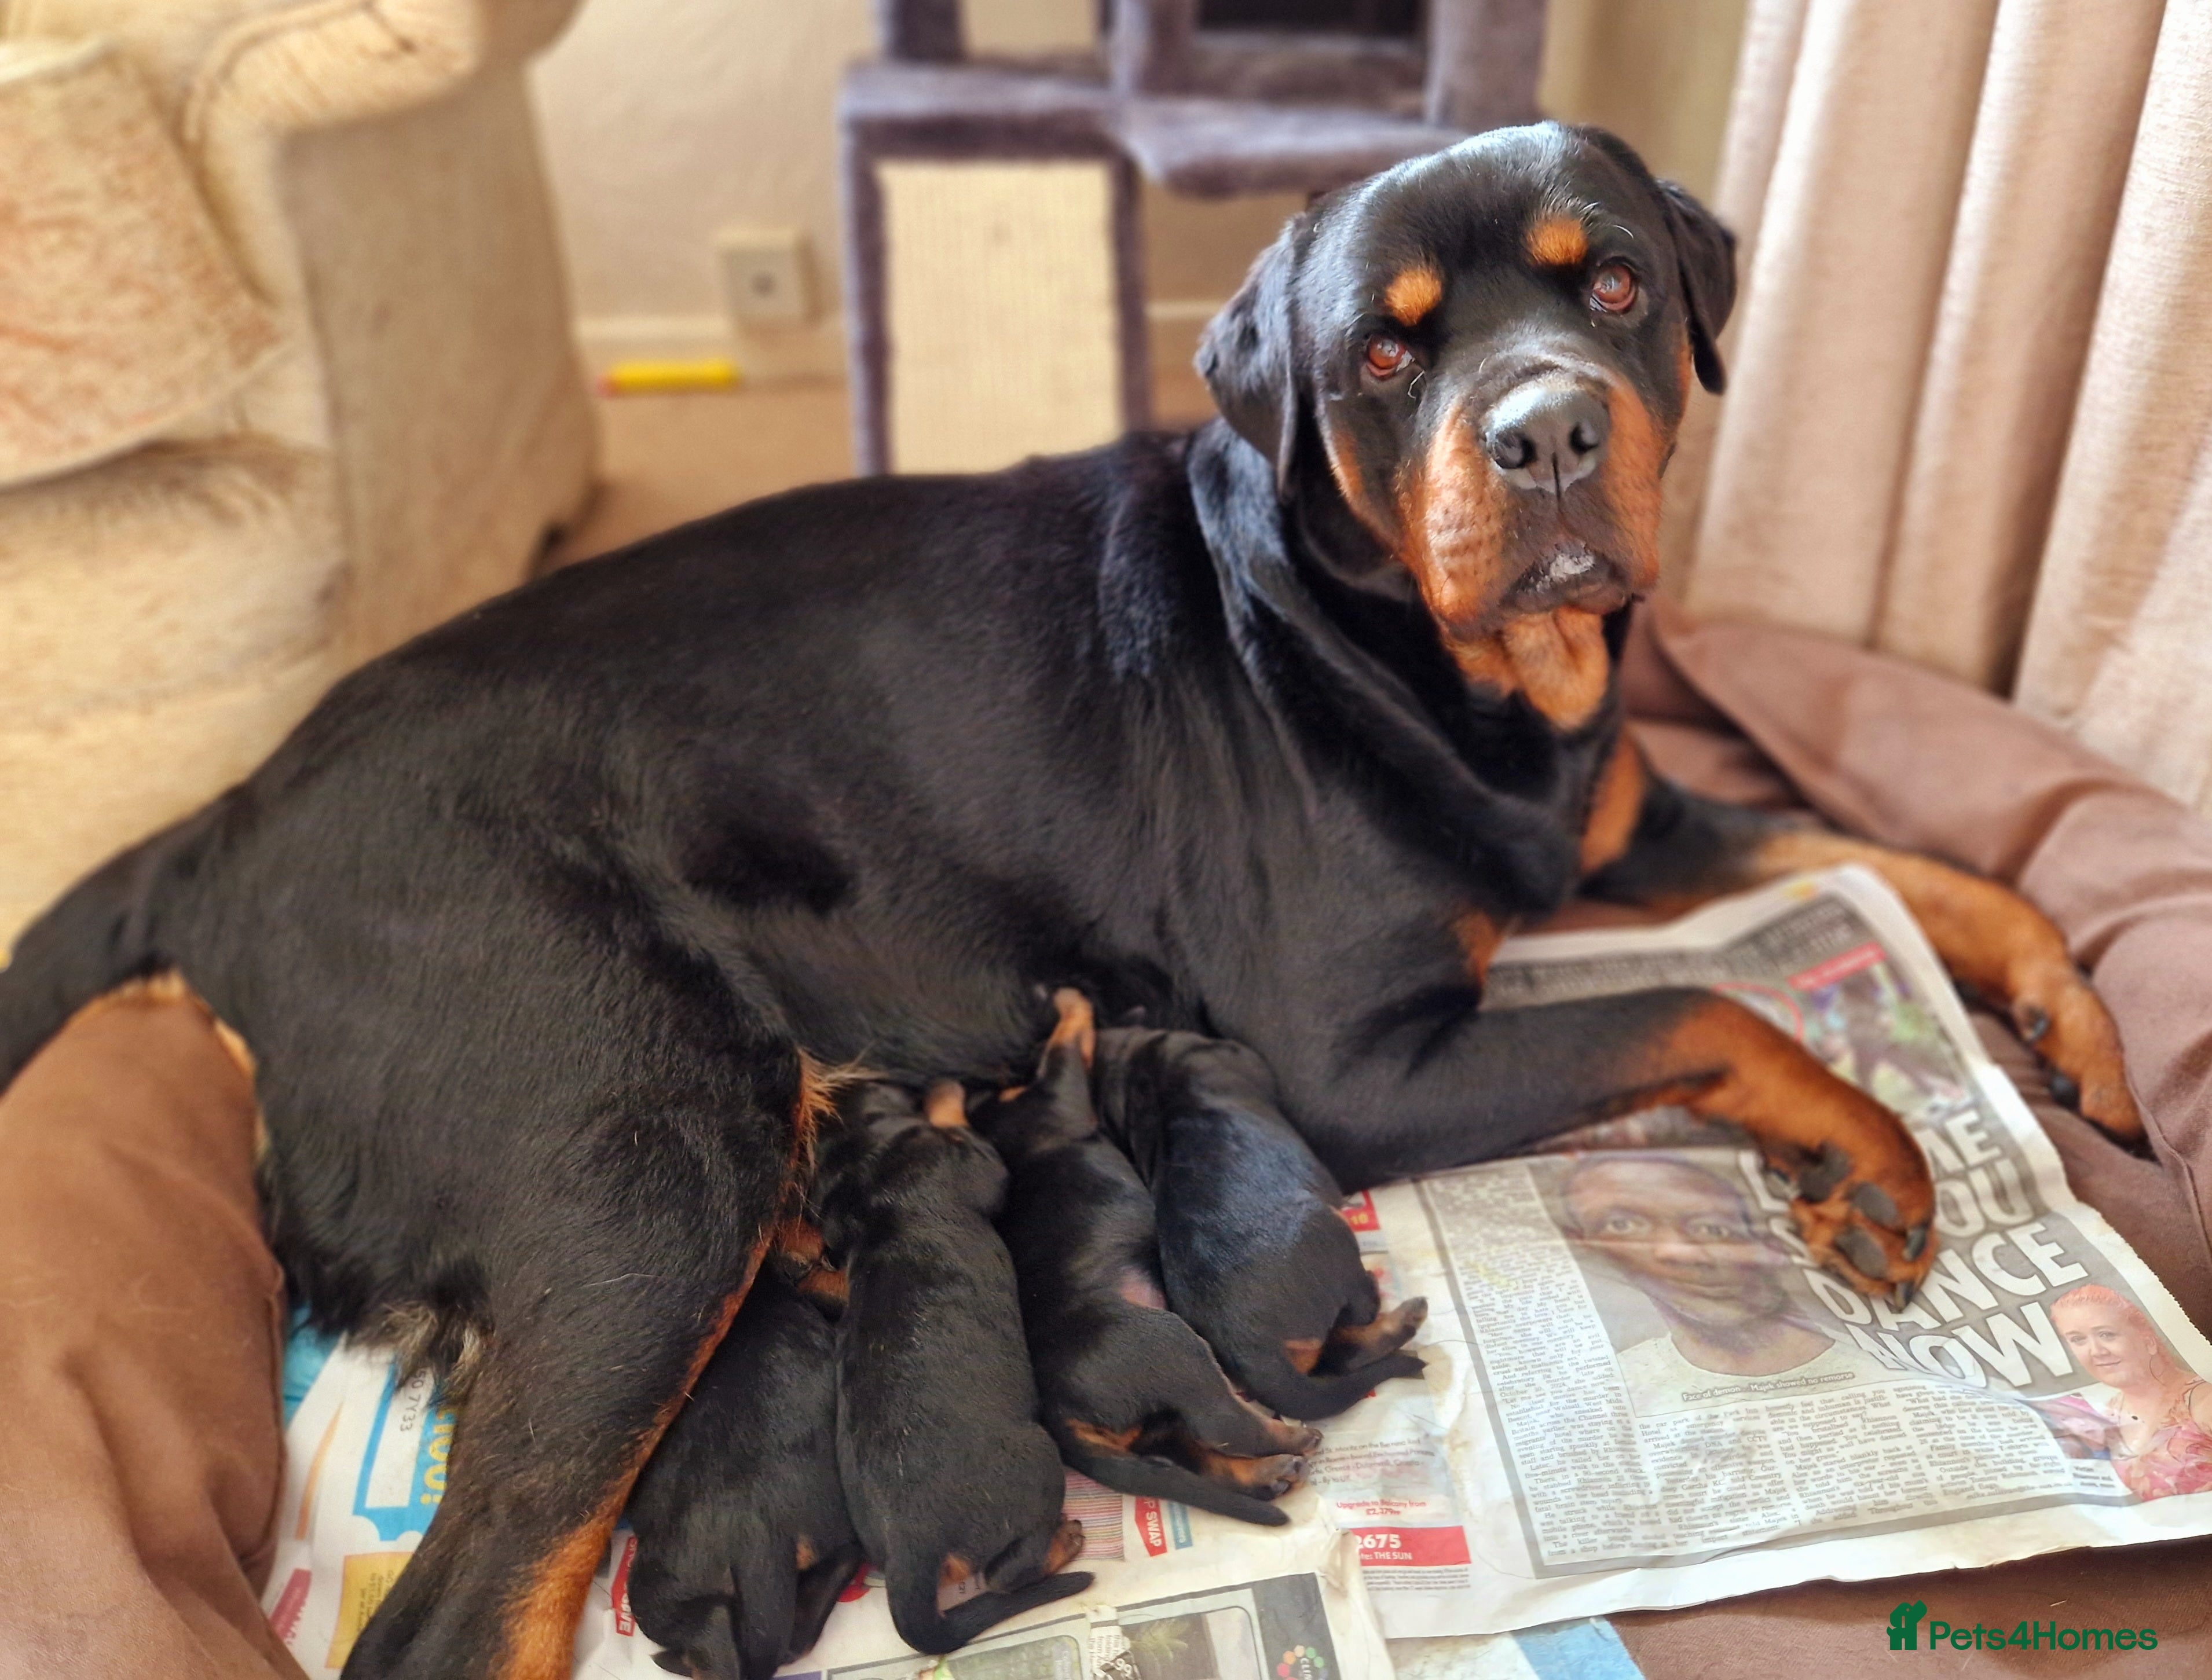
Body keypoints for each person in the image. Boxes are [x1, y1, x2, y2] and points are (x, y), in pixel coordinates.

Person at [1563, 1156, 1892, 1415]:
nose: (1678, 1252)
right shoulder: (1606, 1394)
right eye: (1624, 1225)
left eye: (1713, 1226)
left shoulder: (1894, 1362)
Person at [2050, 1285, 2212, 1499]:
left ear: (2147, 1339)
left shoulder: (2203, 1403)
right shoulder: (2109, 1414)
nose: (2097, 1351)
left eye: (2107, 1334)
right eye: (2078, 1340)